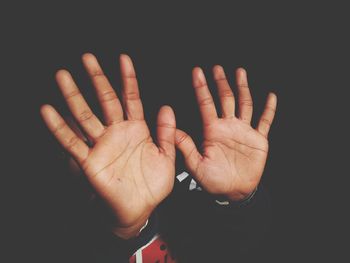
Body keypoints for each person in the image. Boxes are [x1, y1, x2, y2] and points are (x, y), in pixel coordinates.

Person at [40, 53, 277, 263]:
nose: (101, 157)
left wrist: (241, 200)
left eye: (96, 140)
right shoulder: (59, 226)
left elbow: (241, 248)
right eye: (78, 146)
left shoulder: (182, 180)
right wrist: (126, 231)